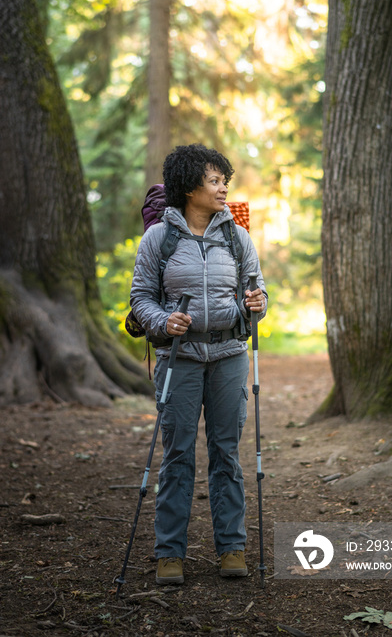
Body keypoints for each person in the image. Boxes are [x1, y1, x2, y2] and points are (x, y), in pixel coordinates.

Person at [130, 143, 267, 585]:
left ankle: (232, 548)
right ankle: (170, 552)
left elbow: (258, 295)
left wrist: (258, 303)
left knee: (226, 454)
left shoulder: (237, 236)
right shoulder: (159, 239)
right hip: (179, 359)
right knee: (177, 455)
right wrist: (163, 319)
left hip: (229, 356)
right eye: (214, 180)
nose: (223, 188)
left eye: (224, 180)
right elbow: (140, 300)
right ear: (190, 187)